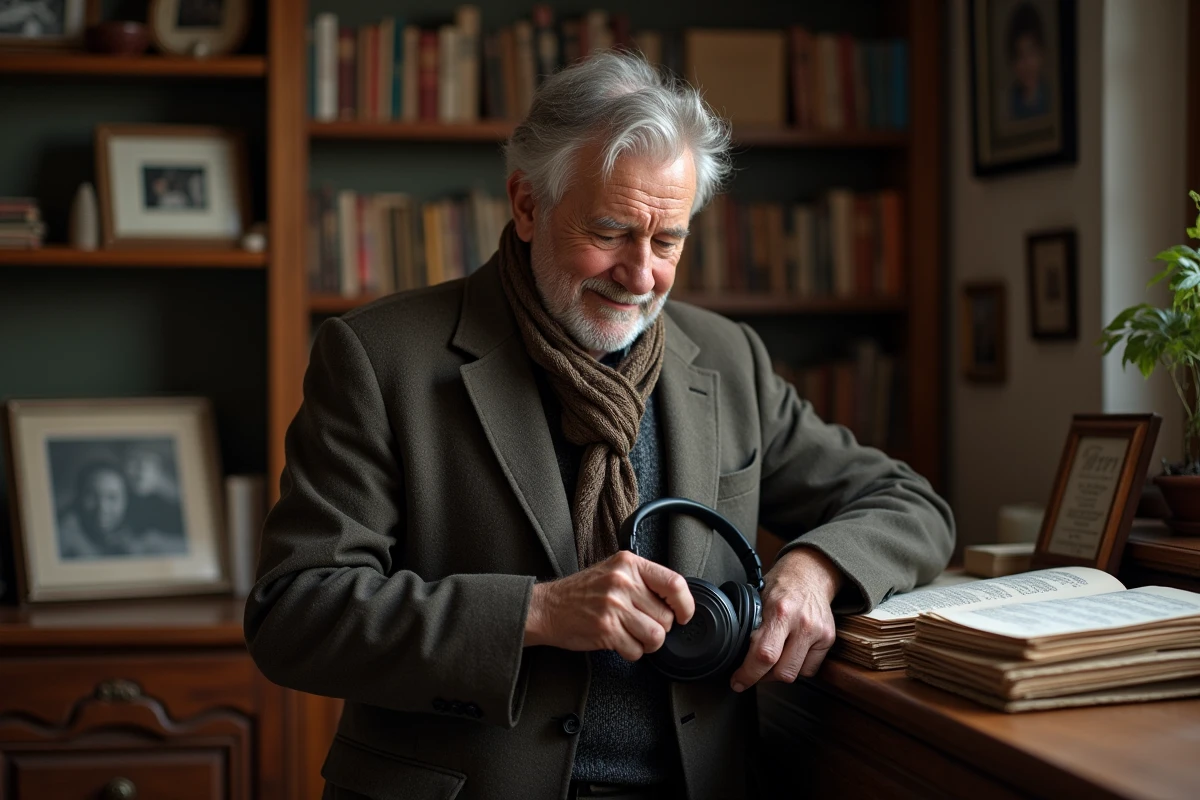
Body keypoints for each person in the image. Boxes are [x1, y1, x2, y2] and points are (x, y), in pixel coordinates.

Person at [245, 52, 954, 800]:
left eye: (668, 240)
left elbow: (910, 504)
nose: (641, 274)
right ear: (526, 205)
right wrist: (538, 612)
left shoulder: (727, 357)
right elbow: (296, 614)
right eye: (612, 231)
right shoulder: (378, 358)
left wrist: (817, 568)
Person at [1006, 2, 1051, 120]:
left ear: (1041, 54)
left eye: (1031, 53)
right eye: (1020, 55)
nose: (1026, 64)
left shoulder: (1052, 98)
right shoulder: (1008, 106)